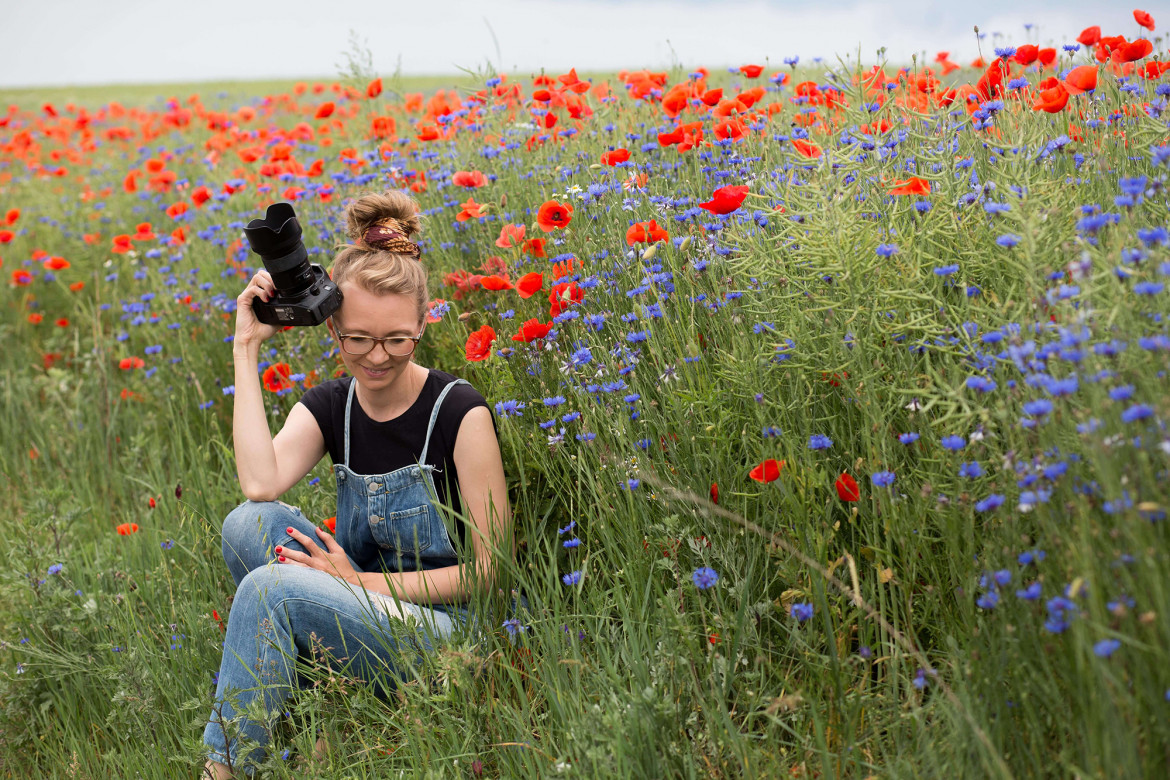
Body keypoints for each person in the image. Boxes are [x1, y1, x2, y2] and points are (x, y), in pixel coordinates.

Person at [201, 191, 510, 779]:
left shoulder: (458, 413)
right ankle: (313, 682)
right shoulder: (331, 406)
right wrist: (245, 346)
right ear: (332, 324)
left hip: (449, 630)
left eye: (397, 338)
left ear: (423, 322)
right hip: (357, 598)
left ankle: (228, 769)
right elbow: (259, 483)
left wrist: (362, 583)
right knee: (248, 524)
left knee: (271, 589)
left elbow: (491, 572)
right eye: (357, 338)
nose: (376, 357)